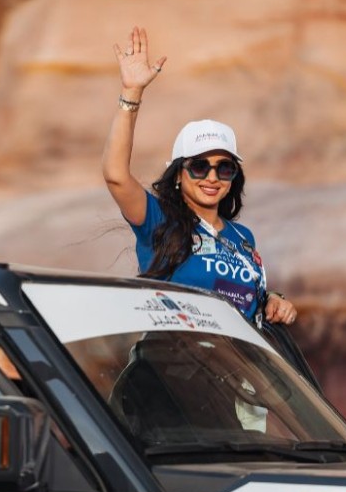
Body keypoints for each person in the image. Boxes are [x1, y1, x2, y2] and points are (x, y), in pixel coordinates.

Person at [101, 26, 298, 326]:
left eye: (224, 167)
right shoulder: (158, 219)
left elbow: (243, 301)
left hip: (227, 355)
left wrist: (272, 299)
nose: (212, 177)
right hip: (169, 353)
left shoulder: (242, 237)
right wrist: (131, 93)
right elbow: (116, 175)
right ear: (178, 174)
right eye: (199, 166)